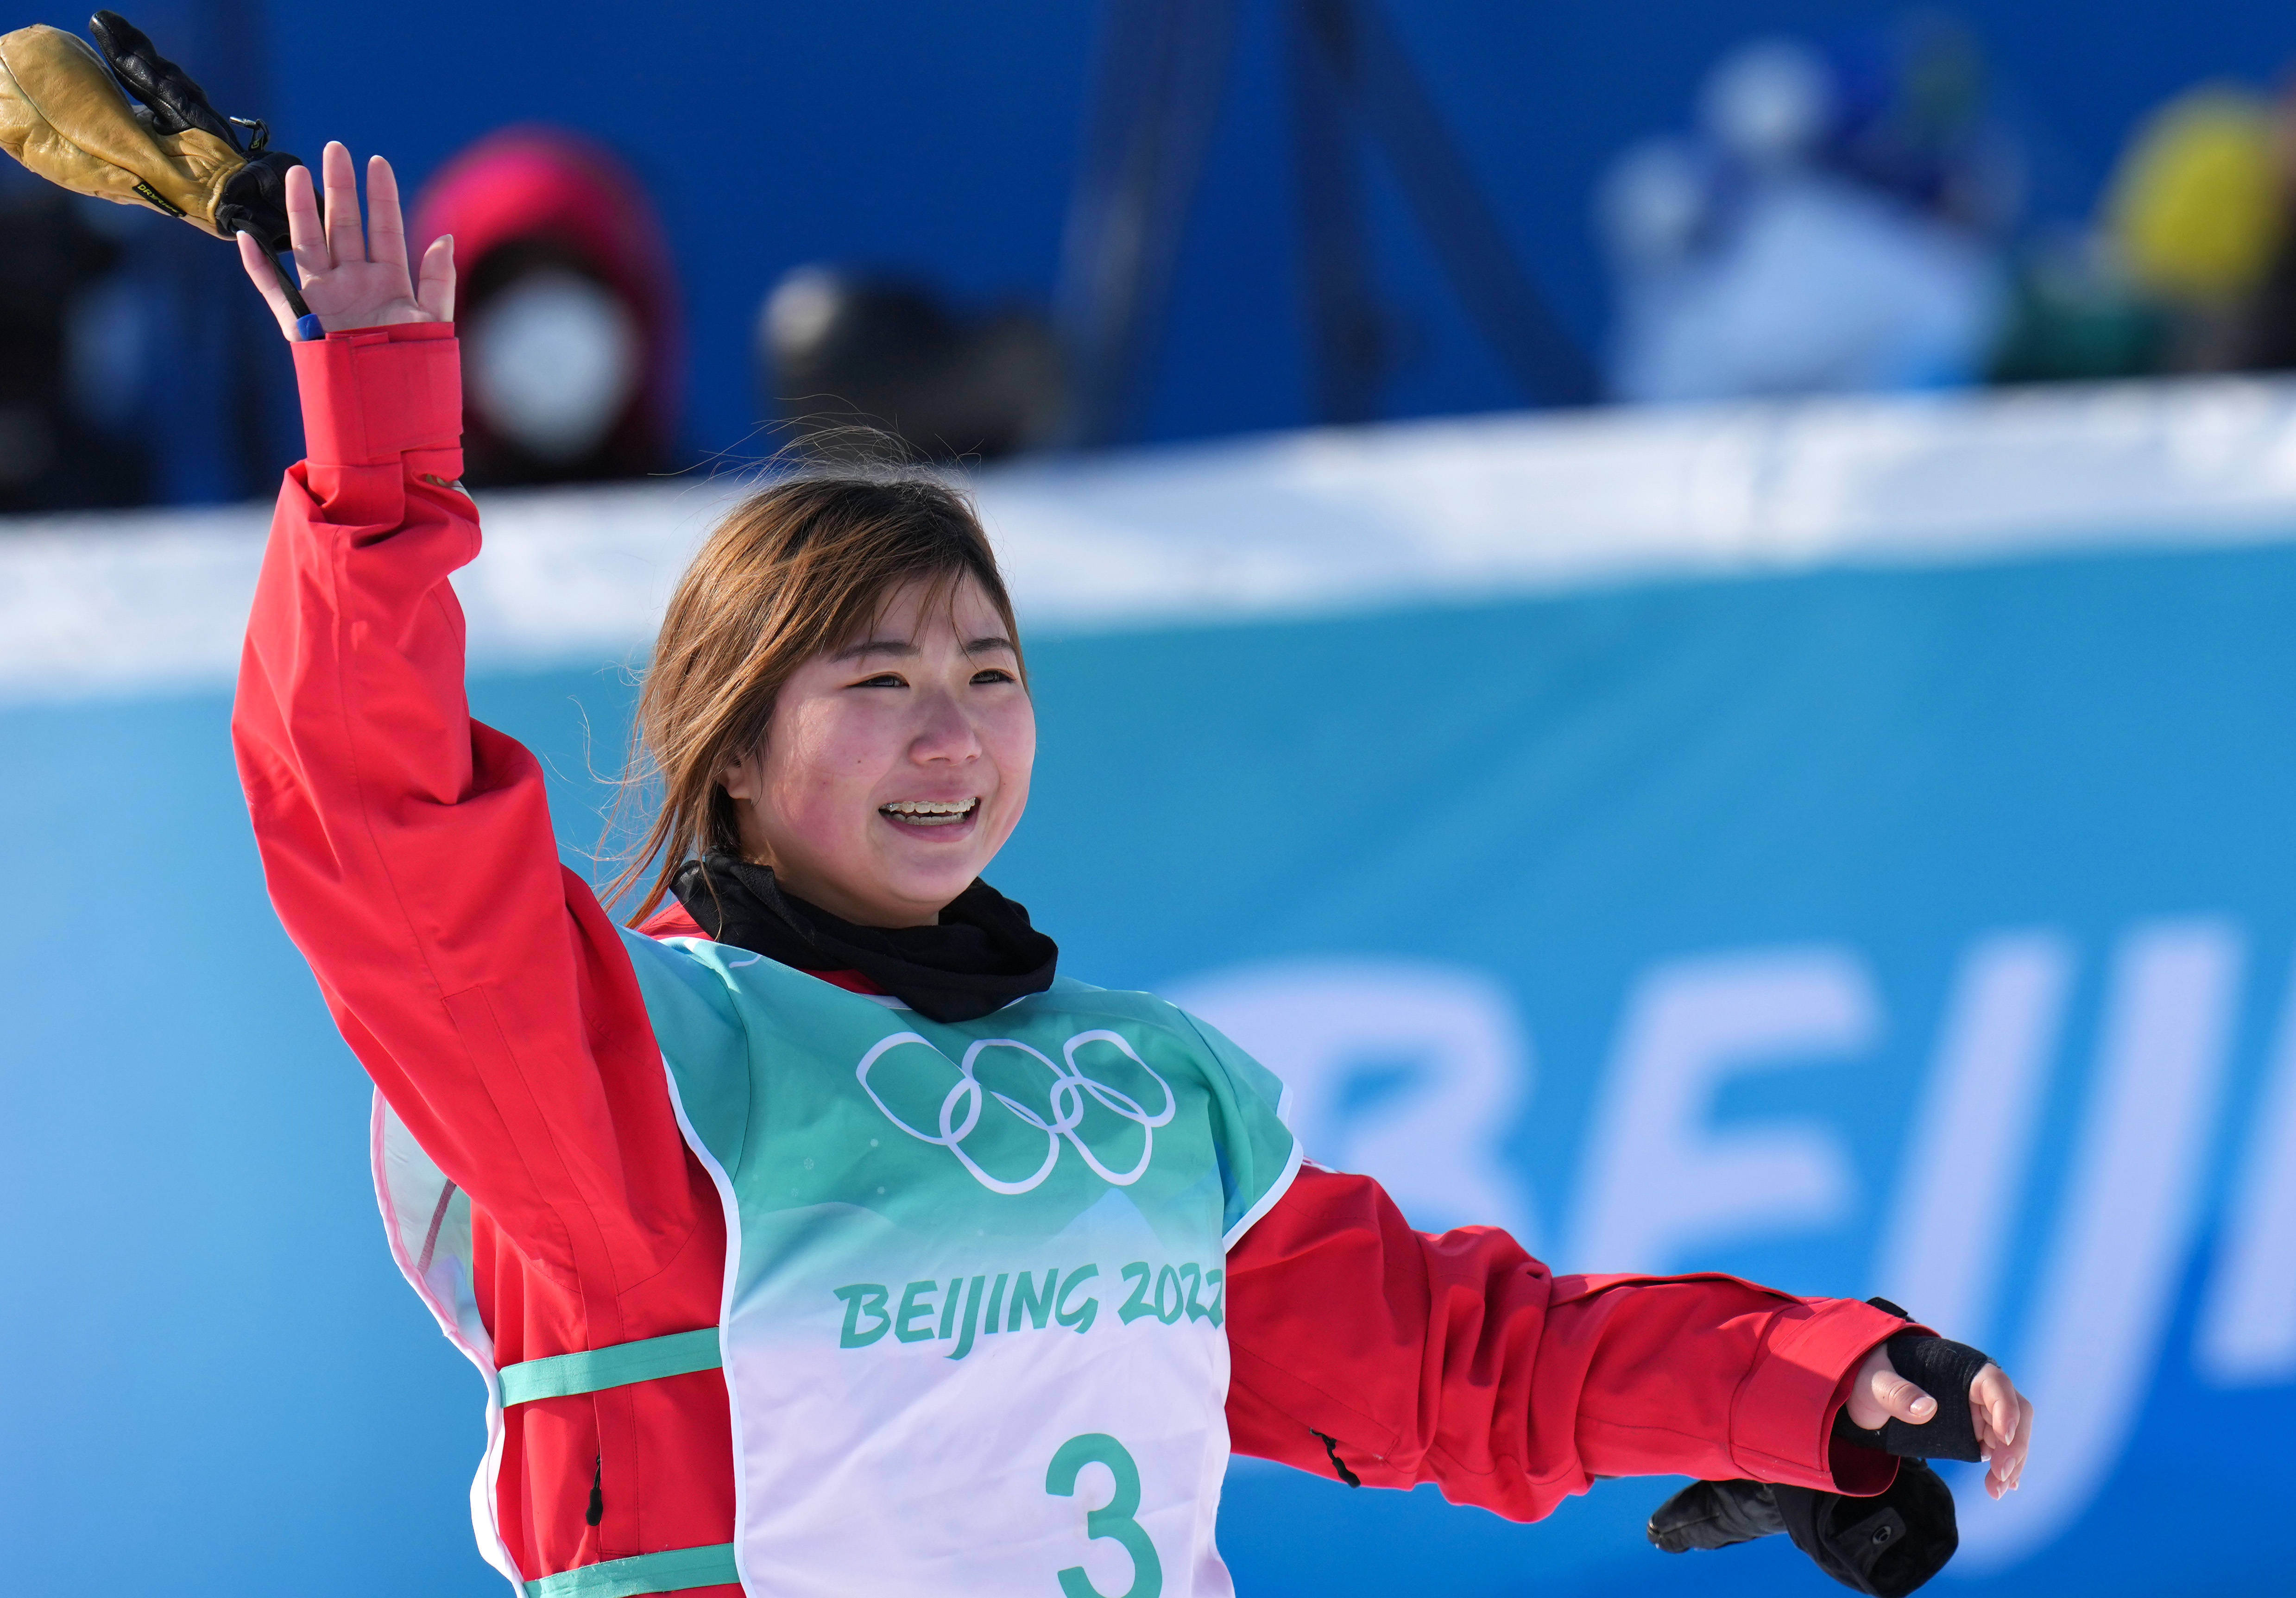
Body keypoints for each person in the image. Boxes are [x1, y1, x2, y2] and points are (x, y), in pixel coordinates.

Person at [232, 142, 2033, 1598]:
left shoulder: (1142, 1092)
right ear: (735, 746)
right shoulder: (637, 1073)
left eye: (987, 676)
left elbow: (1459, 1361)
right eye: (878, 683)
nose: (951, 735)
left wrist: (1798, 1384)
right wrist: (377, 464)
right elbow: (380, 824)